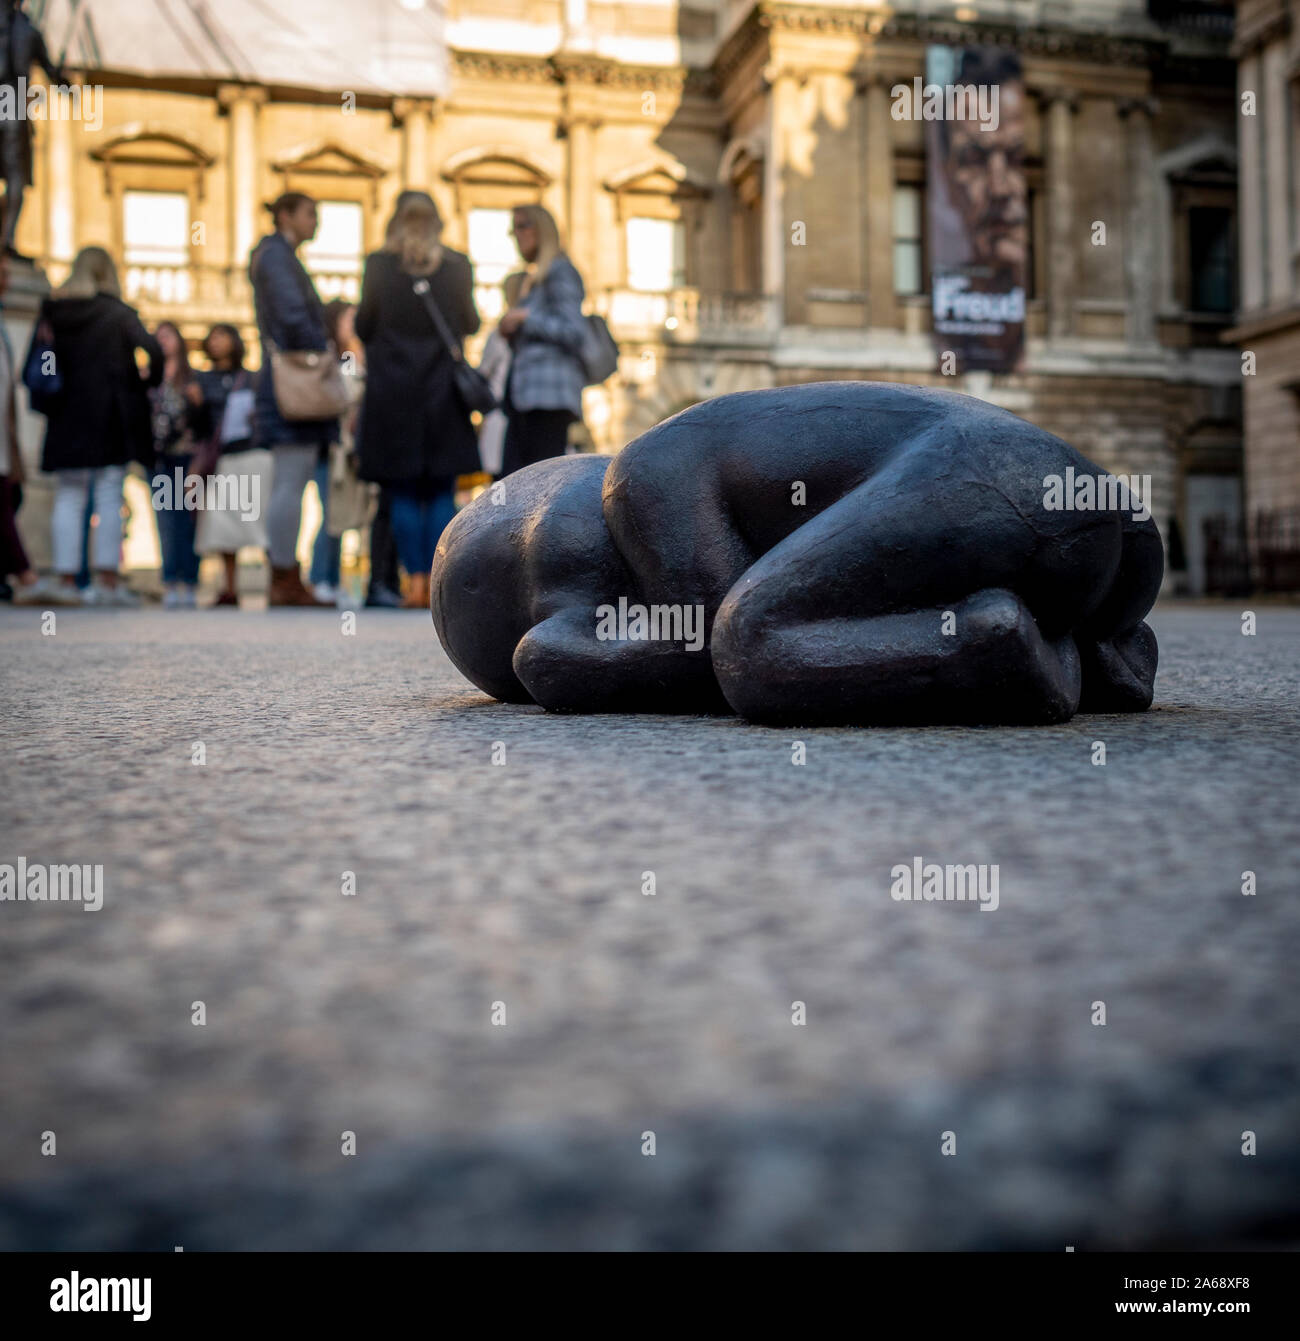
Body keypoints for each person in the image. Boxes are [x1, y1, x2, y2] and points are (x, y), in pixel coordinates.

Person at [354, 190, 479, 610]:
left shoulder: (380, 265)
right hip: (442, 389)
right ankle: (436, 583)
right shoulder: (457, 266)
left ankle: (413, 584)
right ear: (438, 222)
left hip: (392, 391)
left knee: (402, 490)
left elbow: (363, 324)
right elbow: (470, 322)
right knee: (441, 487)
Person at [26, 245, 162, 605]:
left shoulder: (53, 313)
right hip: (110, 416)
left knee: (69, 496)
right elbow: (154, 350)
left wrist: (55, 396)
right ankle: (107, 583)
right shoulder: (117, 312)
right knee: (108, 494)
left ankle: (67, 581)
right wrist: (144, 383)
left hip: (66, 416)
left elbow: (42, 363)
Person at [249, 191, 336, 606]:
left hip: (287, 375)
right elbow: (291, 315)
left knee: (292, 478)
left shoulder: (277, 255)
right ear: (285, 215)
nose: (315, 222)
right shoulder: (276, 256)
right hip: (292, 377)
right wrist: (321, 348)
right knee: (291, 478)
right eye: (310, 213)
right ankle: (283, 576)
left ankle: (285, 574)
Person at [497, 204, 586, 476]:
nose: (516, 235)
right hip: (528, 398)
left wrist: (525, 318)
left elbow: (573, 330)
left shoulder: (559, 271)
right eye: (514, 229)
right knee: (517, 481)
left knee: (535, 483)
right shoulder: (536, 278)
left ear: (542, 229)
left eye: (523, 226)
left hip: (548, 399)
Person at [193, 323, 268, 607]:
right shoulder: (201, 380)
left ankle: (277, 580)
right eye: (212, 337)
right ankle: (229, 585)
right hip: (222, 457)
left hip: (251, 453)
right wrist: (196, 405)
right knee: (223, 524)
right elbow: (199, 428)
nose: (216, 342)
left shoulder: (251, 379)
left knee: (258, 521)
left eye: (222, 336)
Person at [308, 299, 357, 604]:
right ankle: (319, 578)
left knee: (339, 513)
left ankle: (331, 579)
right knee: (330, 513)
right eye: (349, 319)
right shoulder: (328, 359)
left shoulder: (353, 356)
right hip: (330, 448)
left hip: (347, 450)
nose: (354, 325)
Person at [150, 321, 202, 608]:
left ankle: (190, 579)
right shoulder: (148, 377)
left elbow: (204, 422)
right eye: (157, 337)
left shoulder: (191, 378)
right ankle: (170, 579)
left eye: (167, 336)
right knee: (165, 519)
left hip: (187, 455)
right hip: (159, 457)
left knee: (188, 518)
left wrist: (197, 404)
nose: (162, 342)